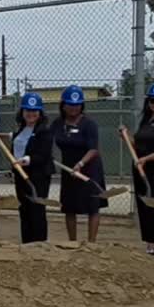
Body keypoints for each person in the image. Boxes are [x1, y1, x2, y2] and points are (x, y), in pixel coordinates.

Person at [51, 85, 107, 242]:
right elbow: (47, 139)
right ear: (63, 105)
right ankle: (72, 242)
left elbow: (93, 149)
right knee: (69, 207)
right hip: (68, 169)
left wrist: (81, 164)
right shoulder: (58, 124)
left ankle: (91, 244)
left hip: (89, 169)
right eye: (70, 104)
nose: (73, 108)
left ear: (82, 105)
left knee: (92, 207)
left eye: (77, 104)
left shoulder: (89, 124)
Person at [11, 92, 53, 244]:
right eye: (27, 110)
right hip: (20, 176)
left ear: (40, 112)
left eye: (34, 110)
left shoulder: (44, 131)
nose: (31, 113)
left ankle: (39, 244)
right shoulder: (20, 130)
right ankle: (27, 243)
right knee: (24, 209)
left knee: (37, 210)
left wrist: (28, 159)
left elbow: (44, 154)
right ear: (22, 112)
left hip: (37, 177)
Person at [126, 81, 154, 256]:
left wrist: (147, 159)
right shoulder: (147, 121)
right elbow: (139, 146)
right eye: (153, 100)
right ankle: (150, 243)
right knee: (145, 205)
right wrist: (126, 138)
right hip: (142, 168)